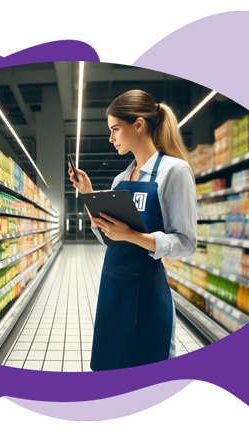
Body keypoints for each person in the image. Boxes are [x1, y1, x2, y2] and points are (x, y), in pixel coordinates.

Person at [68, 89, 197, 371]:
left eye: (115, 129)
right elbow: (110, 238)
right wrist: (87, 193)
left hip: (148, 295)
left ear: (138, 125)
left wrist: (131, 235)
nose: (111, 138)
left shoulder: (175, 172)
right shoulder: (120, 179)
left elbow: (187, 243)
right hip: (112, 289)